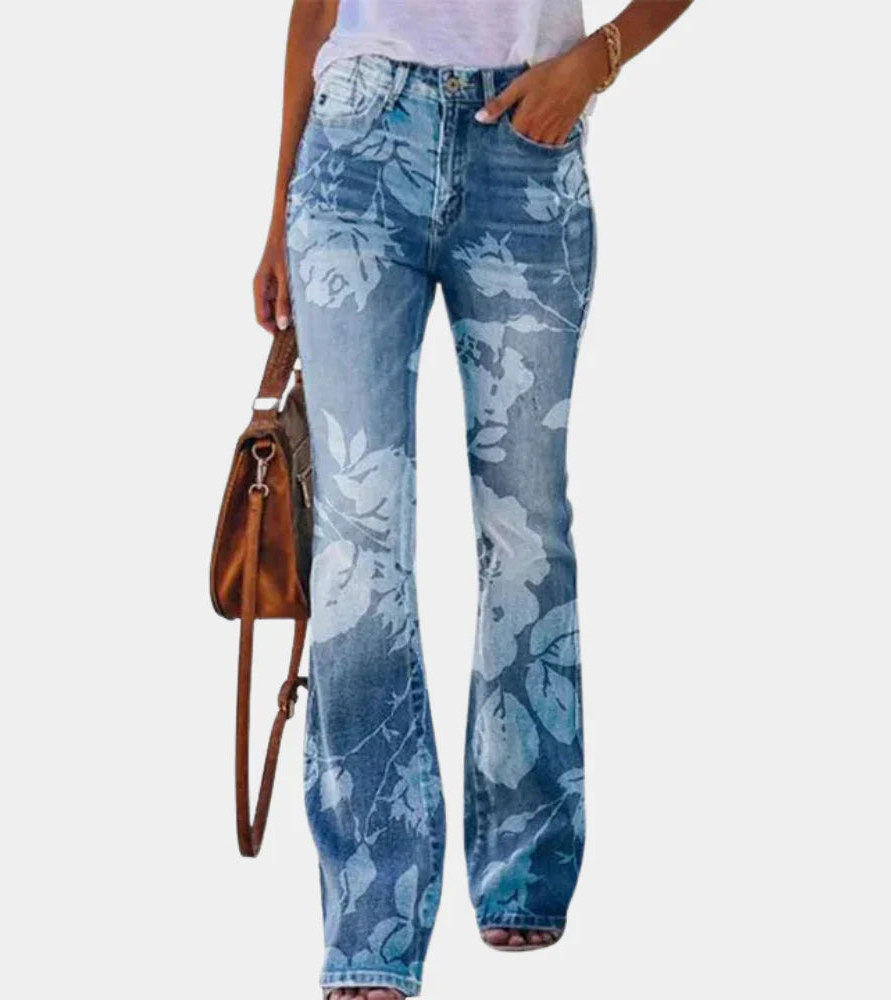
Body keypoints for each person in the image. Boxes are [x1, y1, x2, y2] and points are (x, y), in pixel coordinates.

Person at [252, 2, 694, 997]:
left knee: (527, 528)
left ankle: (525, 863)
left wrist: (595, 61)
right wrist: (279, 210)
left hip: (525, 150)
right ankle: (373, 909)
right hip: (356, 150)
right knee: (358, 542)